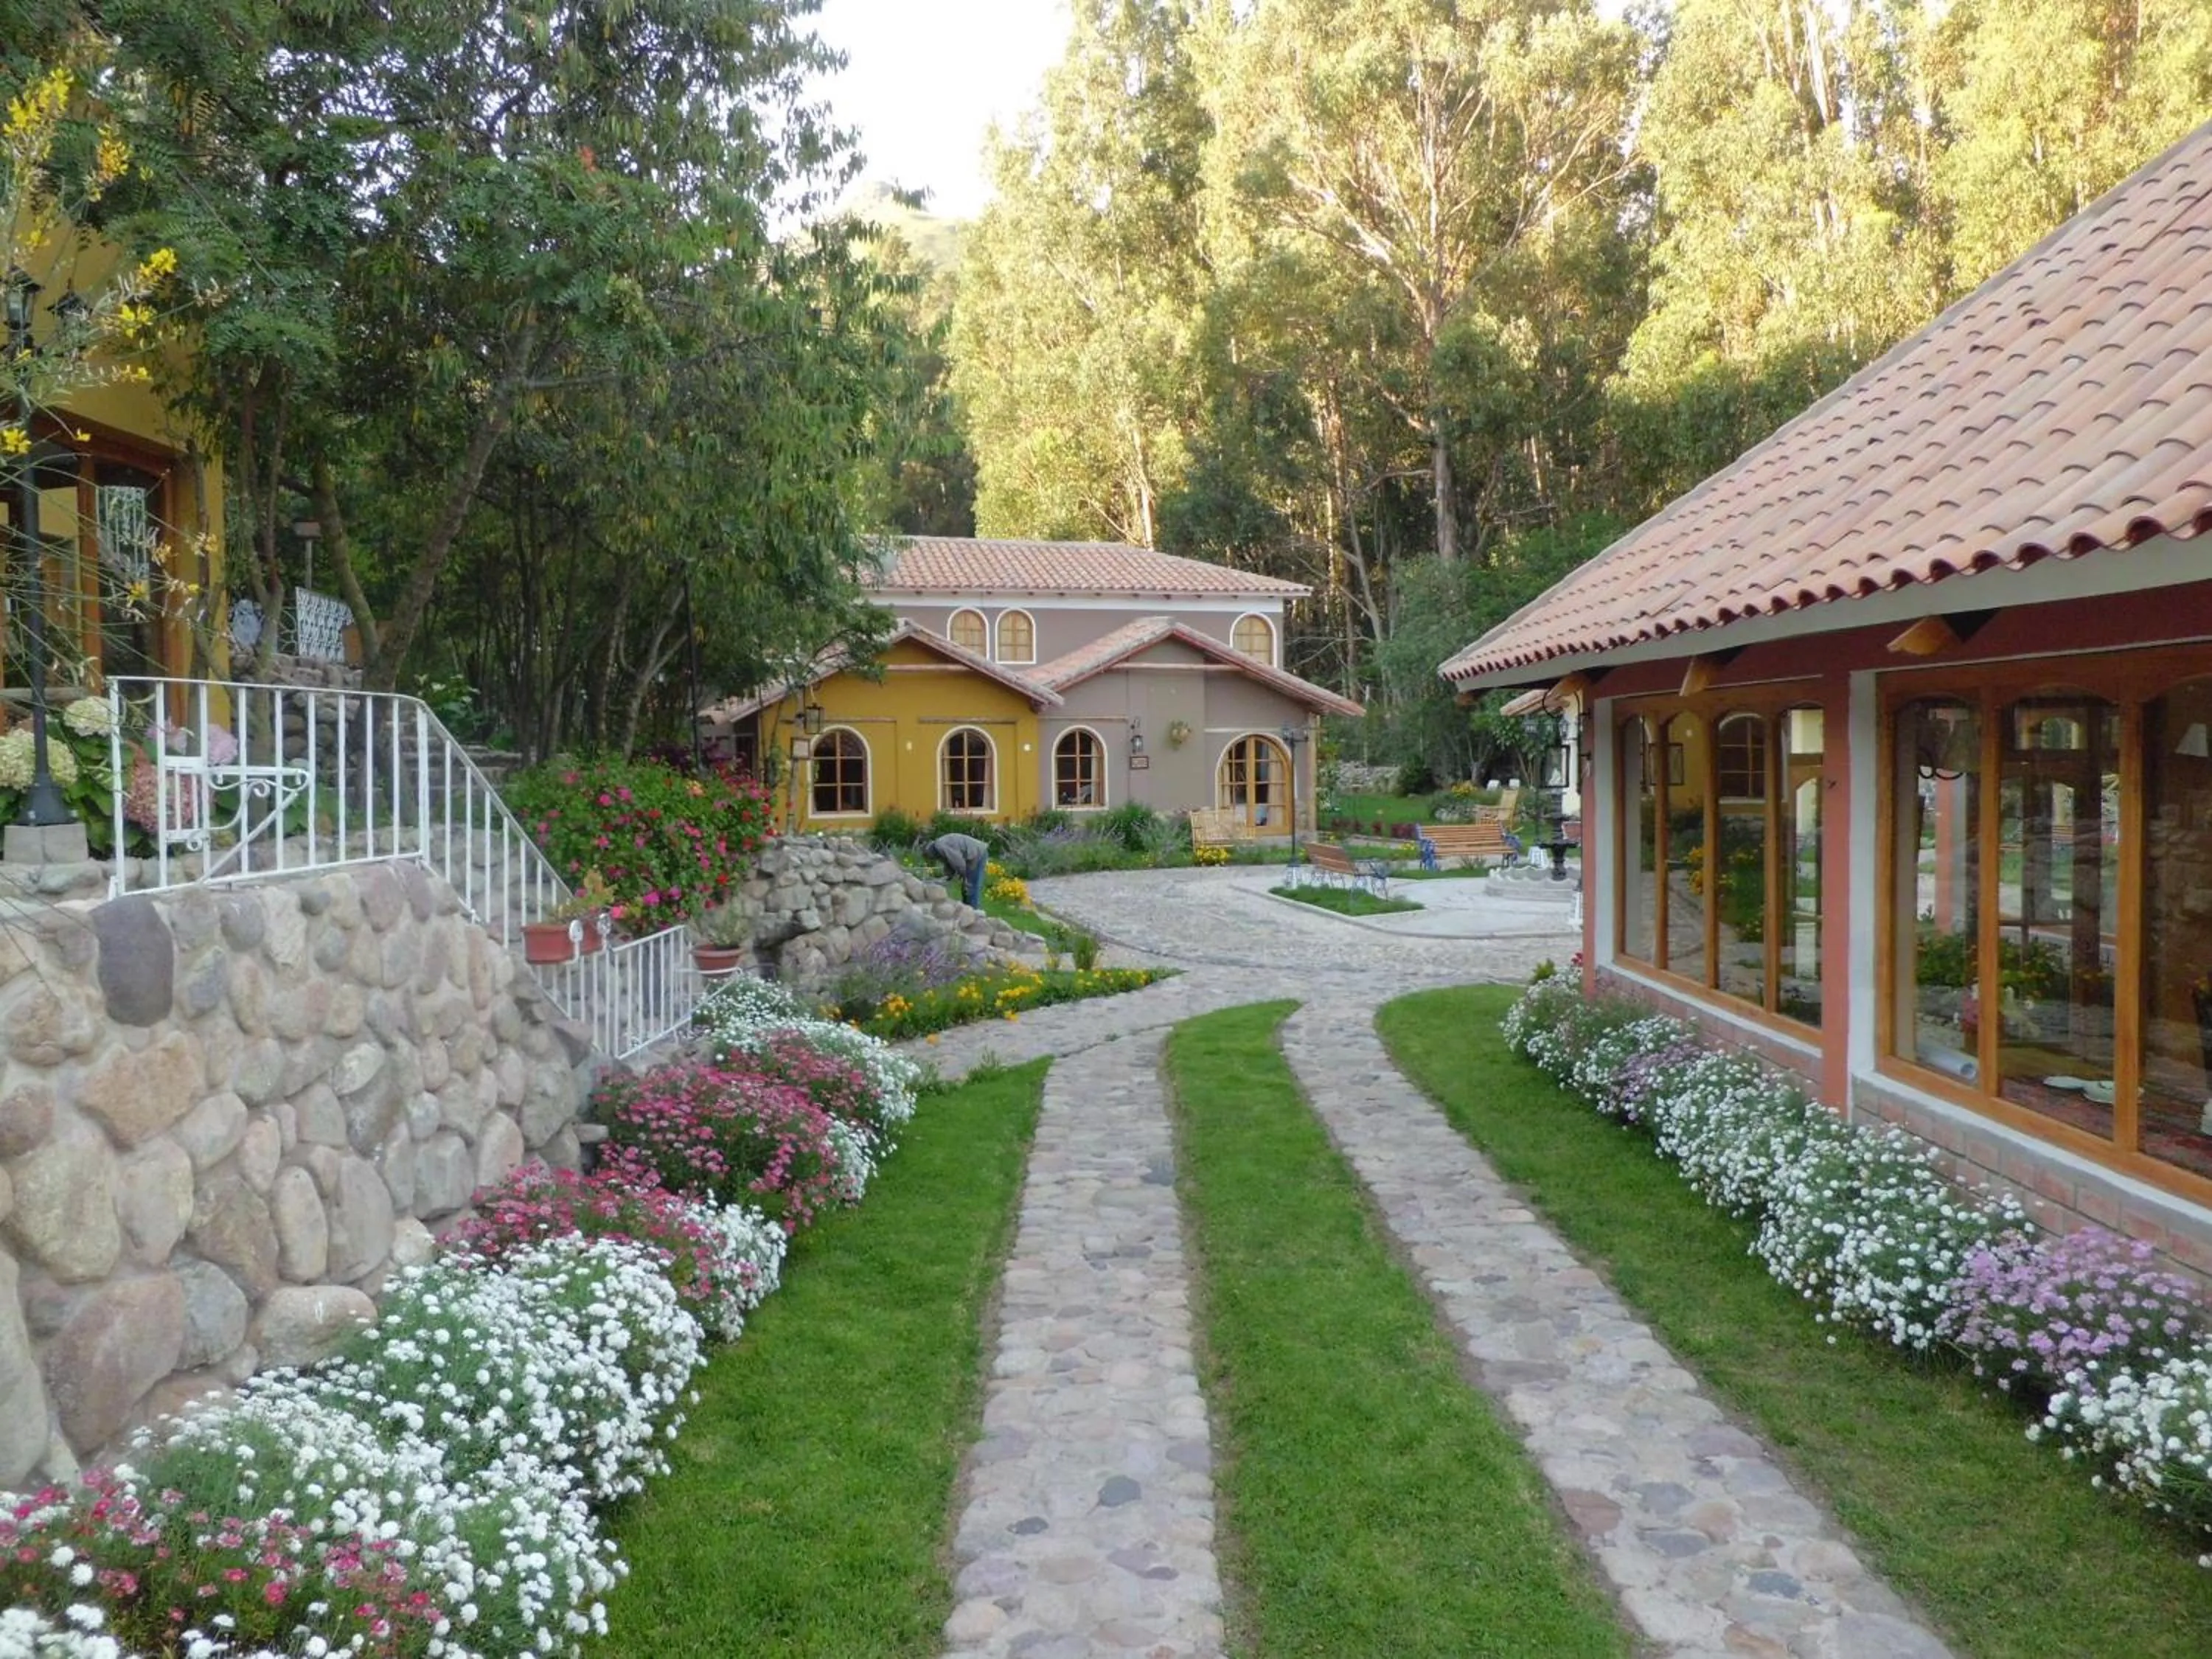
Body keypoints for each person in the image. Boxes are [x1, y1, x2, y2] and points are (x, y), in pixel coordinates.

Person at [928, 830, 990, 911]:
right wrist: (949, 877)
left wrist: (964, 876)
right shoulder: (940, 845)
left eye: (930, 857)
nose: (932, 859)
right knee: (966, 889)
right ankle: (966, 912)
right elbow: (950, 861)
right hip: (970, 856)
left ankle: (974, 915)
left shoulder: (940, 846)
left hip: (978, 854)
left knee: (971, 887)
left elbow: (958, 862)